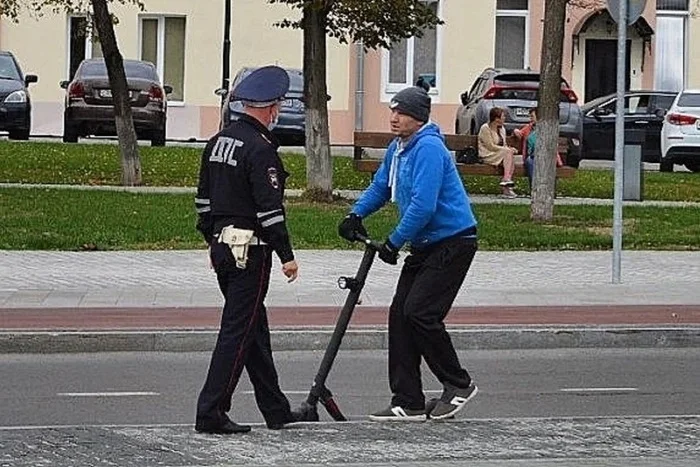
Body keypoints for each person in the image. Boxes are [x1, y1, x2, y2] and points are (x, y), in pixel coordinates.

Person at [338, 86, 479, 422]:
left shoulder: (429, 148)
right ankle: (408, 400)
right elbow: (381, 187)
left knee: (420, 313)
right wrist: (355, 215)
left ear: (418, 116)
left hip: (453, 241)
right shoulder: (398, 148)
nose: (393, 118)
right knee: (400, 315)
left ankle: (459, 384)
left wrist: (393, 242)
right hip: (426, 244)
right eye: (392, 111)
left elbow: (423, 205)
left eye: (400, 112)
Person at [194, 65, 301, 435]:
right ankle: (211, 410)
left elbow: (203, 203)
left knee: (254, 329)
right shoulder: (261, 148)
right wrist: (286, 255)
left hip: (223, 248)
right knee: (238, 332)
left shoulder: (218, 142)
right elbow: (270, 211)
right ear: (271, 108)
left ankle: (276, 408)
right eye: (278, 108)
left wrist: (211, 241)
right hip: (250, 252)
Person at [478, 107, 518, 198]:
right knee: (508, 153)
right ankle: (507, 181)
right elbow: (490, 146)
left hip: (499, 154)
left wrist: (510, 149)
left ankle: (506, 184)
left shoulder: (502, 129)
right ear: (496, 119)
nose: (504, 118)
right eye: (503, 116)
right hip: (487, 154)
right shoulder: (485, 128)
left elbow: (504, 144)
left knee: (510, 154)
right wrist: (506, 150)